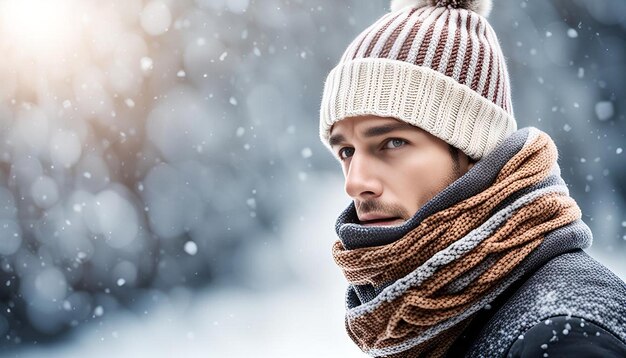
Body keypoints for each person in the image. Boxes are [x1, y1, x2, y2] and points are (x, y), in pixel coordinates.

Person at [318, 0, 626, 357]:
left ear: (472, 150)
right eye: (346, 152)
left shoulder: (561, 336)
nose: (355, 182)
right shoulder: (444, 319)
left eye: (392, 142)